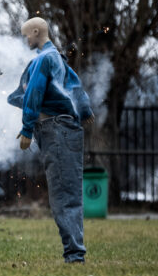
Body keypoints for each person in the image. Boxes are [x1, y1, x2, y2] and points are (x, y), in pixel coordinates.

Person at [7, 17, 95, 263]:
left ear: (36, 32)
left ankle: (75, 255)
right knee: (68, 192)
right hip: (65, 130)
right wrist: (85, 110)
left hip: (56, 130)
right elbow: (74, 86)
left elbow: (34, 93)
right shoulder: (57, 57)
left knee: (63, 195)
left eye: (27, 35)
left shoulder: (44, 59)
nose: (26, 39)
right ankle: (74, 252)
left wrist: (26, 129)